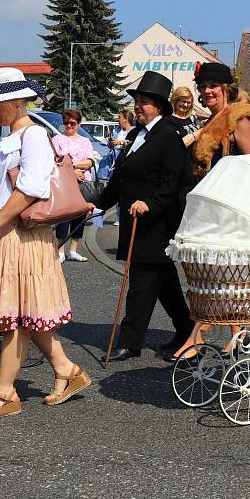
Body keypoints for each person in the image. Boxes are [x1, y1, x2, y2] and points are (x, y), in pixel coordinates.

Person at [0, 67, 90, 420]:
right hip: (5, 235)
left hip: (22, 236)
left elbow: (32, 188)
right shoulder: (8, 139)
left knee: (17, 317)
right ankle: (68, 372)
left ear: (18, 101)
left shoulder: (33, 136)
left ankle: (4, 394)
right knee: (26, 313)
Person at [168, 62, 250, 363]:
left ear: (226, 89)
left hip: (236, 210)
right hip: (214, 209)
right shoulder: (214, 121)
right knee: (220, 275)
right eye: (202, 87)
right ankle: (236, 333)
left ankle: (197, 335)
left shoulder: (239, 119)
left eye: (212, 86)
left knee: (219, 275)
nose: (206, 91)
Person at [93, 71, 193, 361]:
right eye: (136, 101)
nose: (138, 106)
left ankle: (130, 341)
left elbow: (173, 181)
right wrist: (98, 204)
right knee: (163, 281)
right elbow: (120, 177)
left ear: (159, 106)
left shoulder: (169, 135)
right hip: (135, 219)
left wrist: (150, 203)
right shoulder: (136, 134)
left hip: (156, 223)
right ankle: (187, 329)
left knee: (141, 280)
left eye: (144, 102)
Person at [52, 108, 94, 262]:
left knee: (80, 215)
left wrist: (73, 164)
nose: (69, 126)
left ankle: (73, 250)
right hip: (65, 182)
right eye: (66, 123)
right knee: (64, 215)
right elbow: (56, 161)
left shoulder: (85, 141)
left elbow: (90, 161)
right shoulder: (57, 139)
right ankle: (61, 250)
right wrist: (73, 170)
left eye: (72, 123)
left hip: (83, 182)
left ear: (79, 124)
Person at [107, 108, 134, 226]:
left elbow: (133, 143)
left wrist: (121, 142)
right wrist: (111, 142)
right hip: (115, 164)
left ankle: (125, 216)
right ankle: (118, 216)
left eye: (120, 117)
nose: (118, 119)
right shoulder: (116, 131)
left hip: (128, 164)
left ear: (126, 119)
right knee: (116, 190)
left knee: (125, 191)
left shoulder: (134, 131)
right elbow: (111, 146)